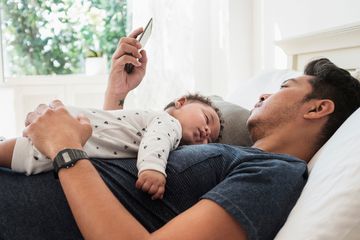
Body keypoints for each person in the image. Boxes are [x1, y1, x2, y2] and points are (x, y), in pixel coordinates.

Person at [0, 27, 359, 240]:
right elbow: (117, 160)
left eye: (284, 86)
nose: (263, 94)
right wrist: (116, 94)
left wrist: (65, 149)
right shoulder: (232, 151)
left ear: (317, 108)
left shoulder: (275, 174)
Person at [0, 92, 222, 200]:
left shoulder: (152, 126)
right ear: (181, 102)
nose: (206, 132)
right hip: (63, 139)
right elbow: (157, 141)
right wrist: (152, 169)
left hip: (69, 133)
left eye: (209, 139)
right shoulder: (168, 123)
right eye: (207, 118)